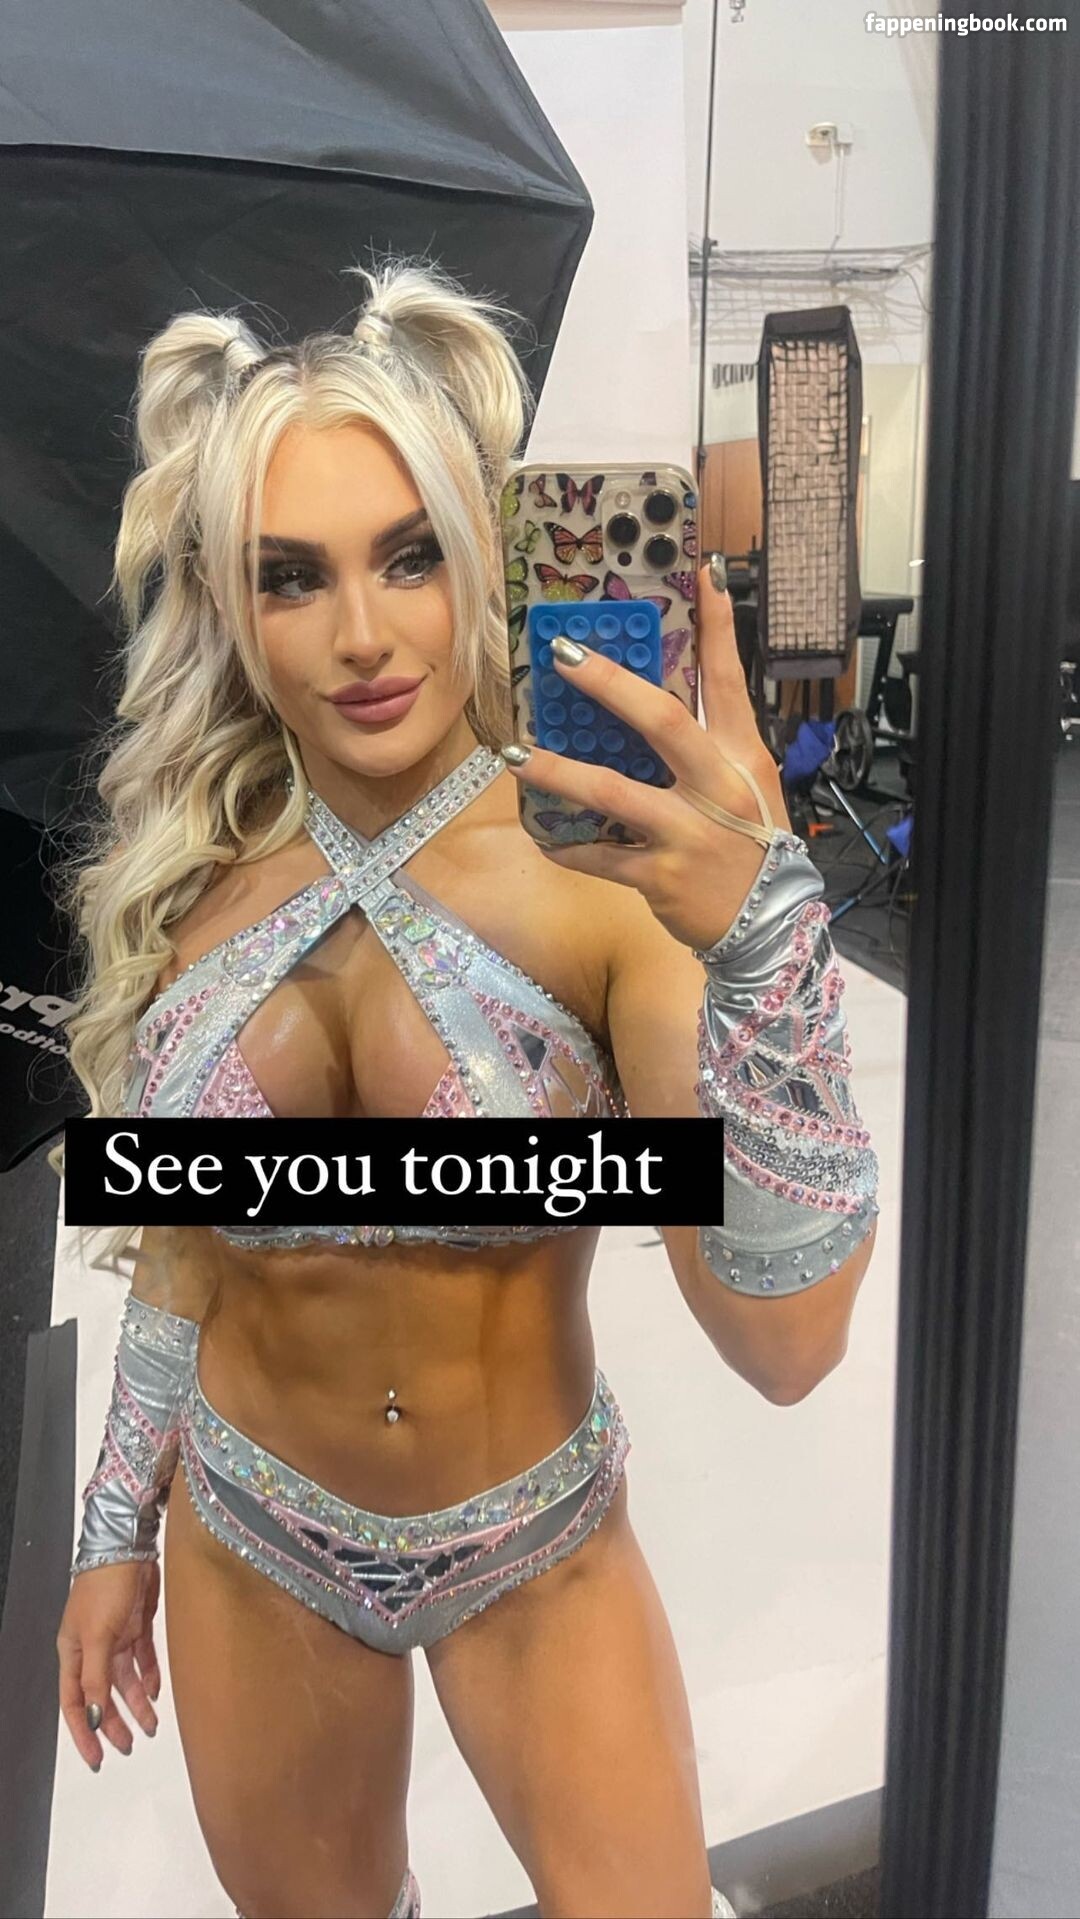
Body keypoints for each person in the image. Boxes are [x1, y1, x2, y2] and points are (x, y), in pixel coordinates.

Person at [53, 259, 879, 1919]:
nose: (363, 635)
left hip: (533, 1546)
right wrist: (112, 1525)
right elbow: (191, 1239)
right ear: (228, 600)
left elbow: (787, 1346)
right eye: (293, 577)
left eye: (410, 555)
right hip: (251, 1533)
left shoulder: (606, 894)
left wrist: (767, 948)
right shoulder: (195, 890)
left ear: (482, 556)